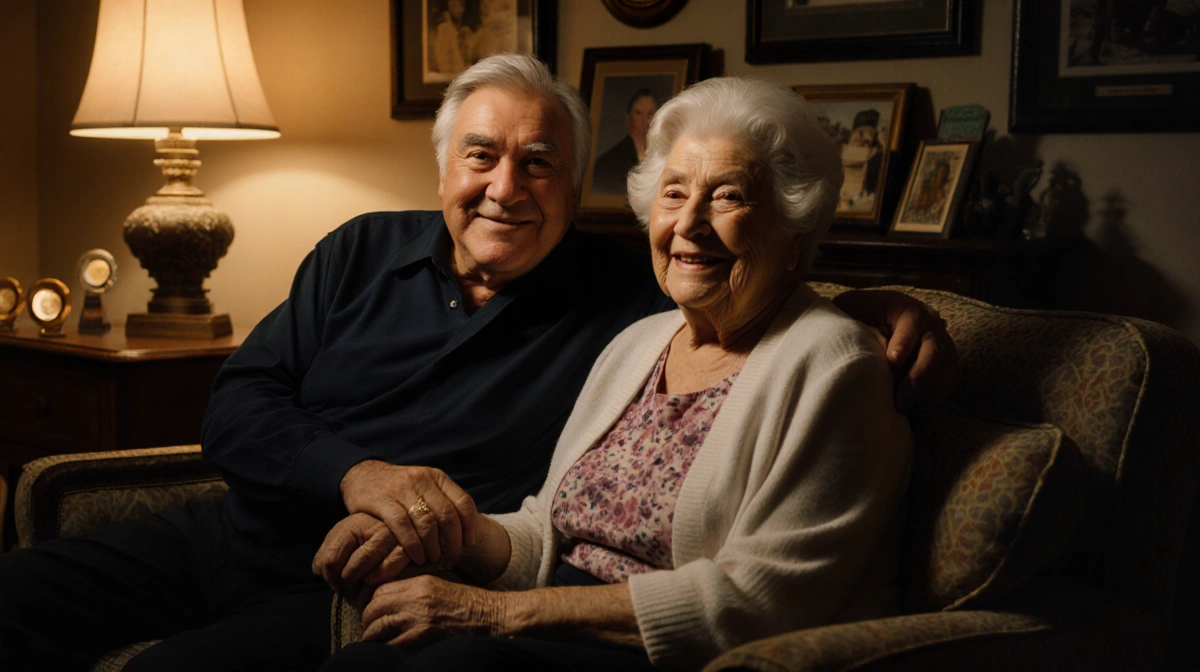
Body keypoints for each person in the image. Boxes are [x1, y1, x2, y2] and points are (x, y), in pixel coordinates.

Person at [0, 54, 953, 672]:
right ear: (443, 167)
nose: (506, 188)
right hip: (238, 531)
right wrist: (357, 475)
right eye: (482, 156)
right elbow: (240, 403)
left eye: (539, 164)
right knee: (20, 594)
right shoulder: (360, 250)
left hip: (352, 584)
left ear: (577, 187)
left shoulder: (621, 303)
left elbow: (741, 293)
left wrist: (869, 304)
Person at [319, 77, 913, 671]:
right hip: (551, 632)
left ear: (794, 228)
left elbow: (756, 601)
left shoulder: (836, 365)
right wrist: (427, 526)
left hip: (670, 653)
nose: (691, 224)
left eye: (729, 196)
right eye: (674, 194)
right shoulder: (640, 342)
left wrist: (493, 614)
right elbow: (545, 535)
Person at [591, 88, 659, 195]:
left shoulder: (662, 157)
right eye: (638, 113)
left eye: (649, 114)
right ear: (628, 118)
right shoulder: (608, 162)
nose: (644, 121)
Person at [838, 109, 884, 213]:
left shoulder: (874, 158)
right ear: (852, 133)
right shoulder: (836, 152)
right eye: (861, 133)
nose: (861, 141)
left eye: (867, 141)